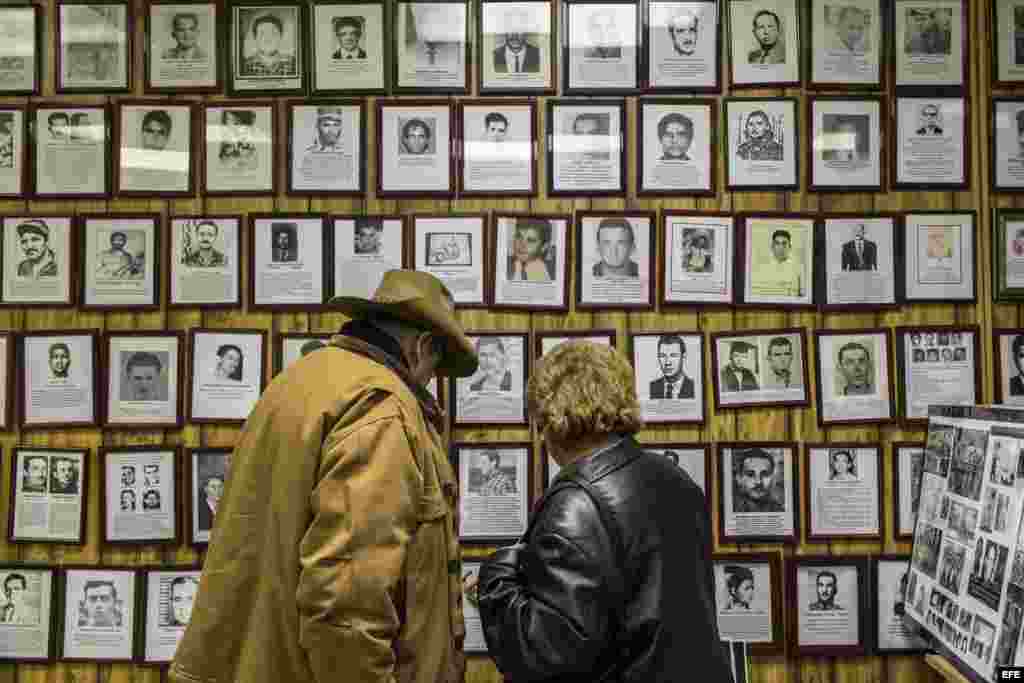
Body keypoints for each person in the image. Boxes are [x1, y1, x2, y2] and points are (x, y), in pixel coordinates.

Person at [169, 270, 478, 683]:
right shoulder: (382, 408)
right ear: (423, 348)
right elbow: (346, 604)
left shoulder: (299, 380)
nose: (430, 382)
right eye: (435, 368)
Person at [476, 341, 732, 682]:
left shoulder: (576, 503)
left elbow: (545, 657)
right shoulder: (677, 480)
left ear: (550, 417)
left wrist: (496, 578)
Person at [732, 448, 783, 512]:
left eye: (765, 475)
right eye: (750, 475)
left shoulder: (780, 511)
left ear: (773, 478)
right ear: (739, 478)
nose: (758, 482)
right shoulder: (730, 509)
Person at [649, 334, 694, 399]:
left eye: (673, 356)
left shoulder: (694, 388)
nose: (667, 362)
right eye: (662, 356)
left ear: (683, 357)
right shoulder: (652, 387)